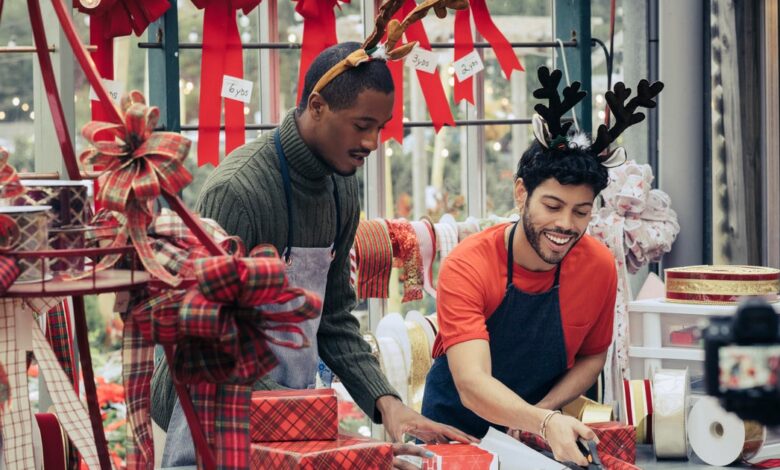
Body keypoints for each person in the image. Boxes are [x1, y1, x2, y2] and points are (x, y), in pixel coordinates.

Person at [151, 41, 475, 469]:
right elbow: (206, 340)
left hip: (292, 414)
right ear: (318, 106)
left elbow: (333, 318)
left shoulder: (342, 186)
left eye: (380, 127)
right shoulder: (238, 191)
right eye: (362, 125)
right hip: (212, 413)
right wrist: (314, 428)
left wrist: (390, 405)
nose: (372, 142)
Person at [418, 66, 664, 466]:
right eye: (552, 206)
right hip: (454, 437)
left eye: (581, 211)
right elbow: (472, 383)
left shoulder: (599, 266)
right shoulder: (468, 264)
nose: (566, 224)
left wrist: (542, 415)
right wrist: (544, 422)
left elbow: (591, 358)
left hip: (535, 442)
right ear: (521, 194)